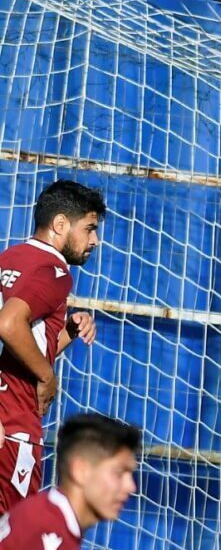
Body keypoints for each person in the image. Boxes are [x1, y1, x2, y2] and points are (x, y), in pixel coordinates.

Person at [0, 180, 105, 511]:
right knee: (15, 530)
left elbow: (20, 345)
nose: (95, 240)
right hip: (14, 426)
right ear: (60, 224)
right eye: (89, 229)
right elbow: (8, 325)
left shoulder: (10, 258)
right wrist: (47, 377)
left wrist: (68, 332)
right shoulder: (54, 271)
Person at [0, 413, 140, 549]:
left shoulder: (42, 516)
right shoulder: (46, 533)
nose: (131, 487)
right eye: (118, 474)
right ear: (80, 471)